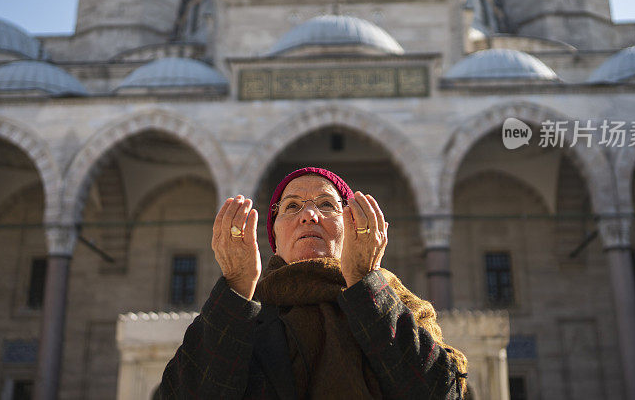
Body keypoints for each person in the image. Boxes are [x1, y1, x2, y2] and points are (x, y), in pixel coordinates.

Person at [157, 167, 468, 399]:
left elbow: (440, 390)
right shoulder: (242, 314)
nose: (309, 215)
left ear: (353, 226)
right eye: (291, 206)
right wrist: (236, 286)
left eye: (326, 204)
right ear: (274, 237)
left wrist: (364, 283)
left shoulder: (397, 304)